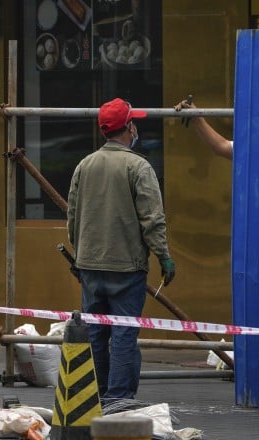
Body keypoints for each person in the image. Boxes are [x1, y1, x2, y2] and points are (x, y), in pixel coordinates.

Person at [65, 98, 175, 401]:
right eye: (133, 122)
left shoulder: (84, 166)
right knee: (124, 334)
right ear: (129, 127)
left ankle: (97, 399)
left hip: (89, 265)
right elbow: (152, 219)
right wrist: (164, 256)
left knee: (96, 335)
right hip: (126, 268)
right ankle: (119, 401)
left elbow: (72, 218)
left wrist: (82, 254)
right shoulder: (138, 166)